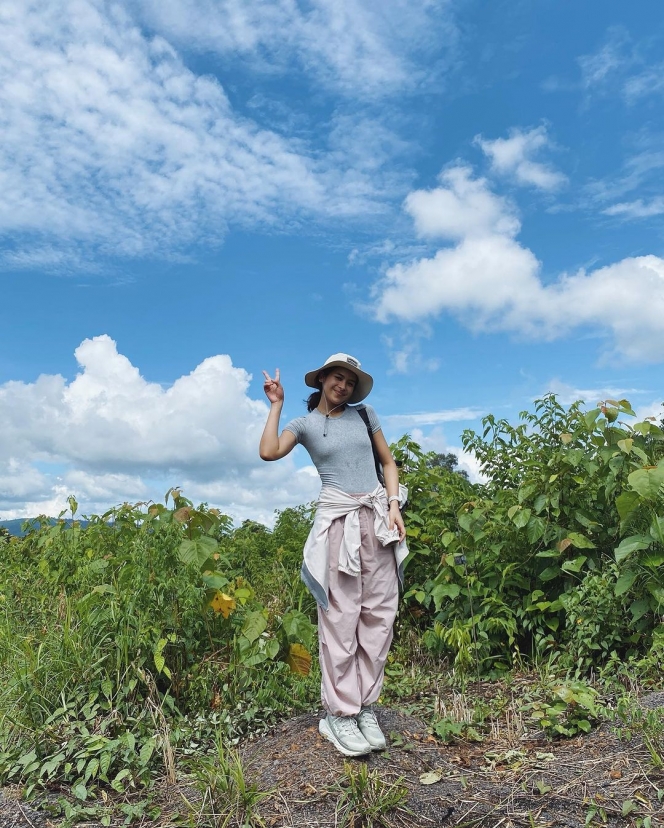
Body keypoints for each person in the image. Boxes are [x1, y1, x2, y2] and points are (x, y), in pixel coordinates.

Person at [259, 353, 408, 757]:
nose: (343, 385)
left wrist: (394, 505)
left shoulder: (365, 415)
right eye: (337, 378)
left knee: (379, 615)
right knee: (341, 618)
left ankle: (364, 707)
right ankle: (338, 714)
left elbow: (388, 463)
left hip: (377, 520)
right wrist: (276, 405)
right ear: (322, 379)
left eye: (349, 381)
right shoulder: (305, 425)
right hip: (339, 524)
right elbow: (269, 452)